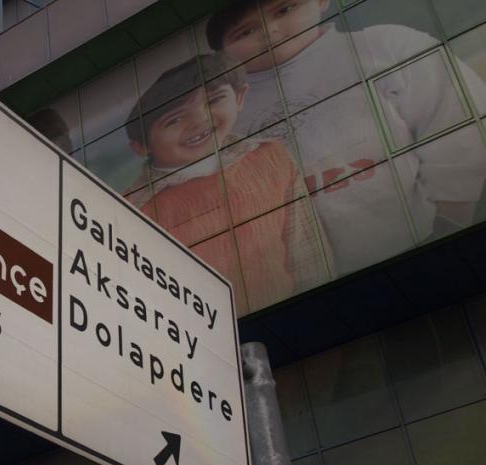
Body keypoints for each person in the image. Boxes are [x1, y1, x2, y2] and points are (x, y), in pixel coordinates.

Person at [205, 0, 486, 273]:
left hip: (428, 250)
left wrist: (449, 231)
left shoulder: (385, 46)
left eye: (285, 9)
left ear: (321, 1)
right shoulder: (221, 110)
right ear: (222, 51)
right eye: (245, 31)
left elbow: (459, 127)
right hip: (305, 287)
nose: (270, 32)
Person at [126, 53, 307, 310]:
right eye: (174, 120)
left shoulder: (269, 156)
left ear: (240, 97)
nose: (200, 121)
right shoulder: (132, 210)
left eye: (213, 101)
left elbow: (305, 247)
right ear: (141, 146)